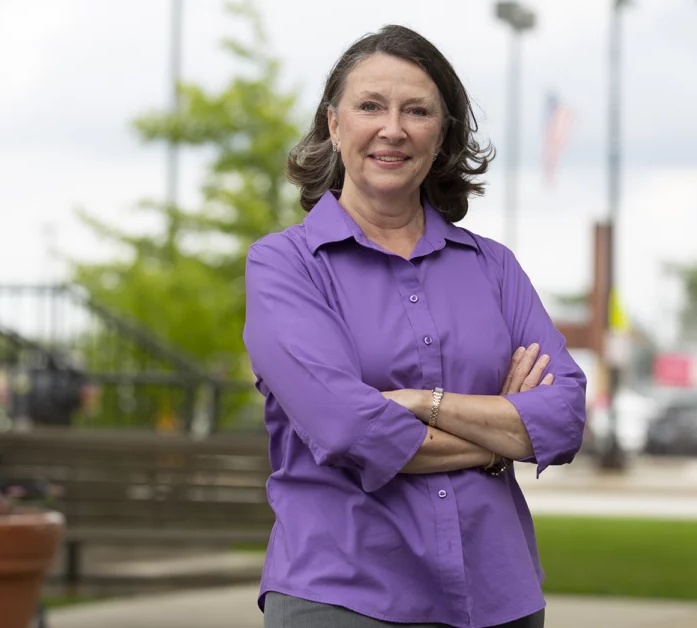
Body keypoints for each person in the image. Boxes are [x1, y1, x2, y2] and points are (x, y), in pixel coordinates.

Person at [243, 24, 587, 628]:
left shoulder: (493, 267)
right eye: (370, 106)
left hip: (498, 598)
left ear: (442, 134)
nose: (392, 129)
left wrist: (416, 403)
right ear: (333, 123)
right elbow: (349, 428)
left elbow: (562, 416)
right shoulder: (284, 265)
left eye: (418, 110)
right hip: (344, 595)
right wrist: (497, 434)